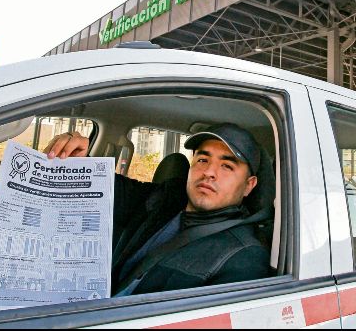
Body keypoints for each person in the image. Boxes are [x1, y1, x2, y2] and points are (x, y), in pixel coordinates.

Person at [43, 123, 272, 296]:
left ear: (249, 185)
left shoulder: (244, 258)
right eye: (203, 160)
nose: (209, 172)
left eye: (227, 166)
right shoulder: (161, 199)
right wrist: (80, 161)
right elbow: (106, 189)